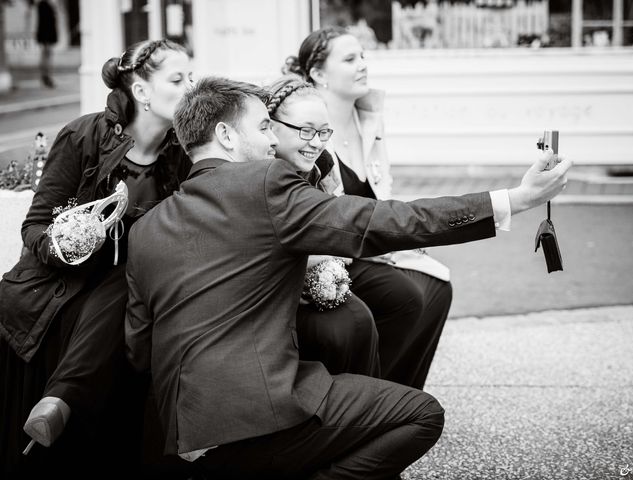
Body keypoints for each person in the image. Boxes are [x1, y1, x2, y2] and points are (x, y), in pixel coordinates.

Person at [124, 76, 570, 480]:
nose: (270, 141)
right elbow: (386, 221)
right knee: (421, 414)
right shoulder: (264, 183)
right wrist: (516, 199)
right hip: (257, 417)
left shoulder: (145, 229)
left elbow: (139, 349)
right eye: (262, 128)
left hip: (180, 435)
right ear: (224, 134)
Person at [0, 39, 193, 479]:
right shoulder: (82, 136)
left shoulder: (185, 152)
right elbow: (34, 226)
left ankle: (63, 400)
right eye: (178, 79)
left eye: (192, 78)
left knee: (133, 269)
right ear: (142, 91)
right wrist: (68, 244)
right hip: (58, 291)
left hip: (137, 294)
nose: (190, 88)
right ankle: (59, 402)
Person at [283, 26, 457, 389]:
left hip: (372, 239)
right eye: (350, 59)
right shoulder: (309, 131)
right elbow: (318, 216)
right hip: (336, 247)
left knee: (439, 285)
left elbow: (383, 190)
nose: (363, 65)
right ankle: (370, 397)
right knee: (405, 294)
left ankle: (401, 392)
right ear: (317, 73)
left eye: (363, 56)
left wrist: (399, 239)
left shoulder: (370, 120)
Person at [265, 75, 380, 377]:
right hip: (273, 288)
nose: (316, 142)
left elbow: (338, 223)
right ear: (271, 125)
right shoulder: (260, 172)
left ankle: (379, 398)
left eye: (324, 132)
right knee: (350, 322)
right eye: (305, 131)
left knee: (403, 294)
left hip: (323, 268)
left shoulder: (323, 165)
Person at [34, 0, 58, 88]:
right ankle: (46, 77)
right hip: (46, 37)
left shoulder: (44, 5)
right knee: (46, 58)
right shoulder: (44, 5)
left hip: (46, 37)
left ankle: (46, 77)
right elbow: (45, 23)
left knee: (46, 57)